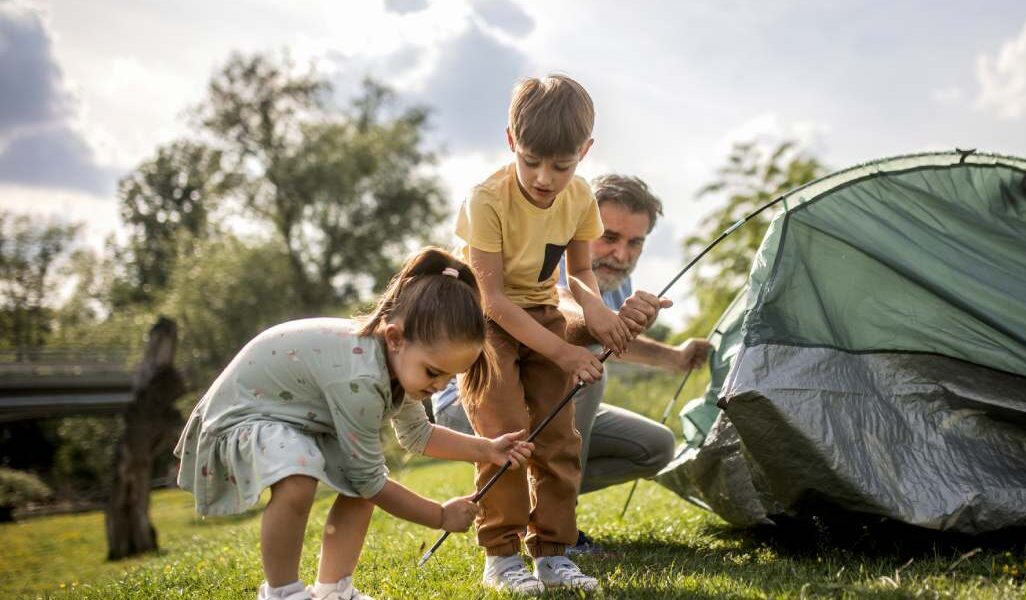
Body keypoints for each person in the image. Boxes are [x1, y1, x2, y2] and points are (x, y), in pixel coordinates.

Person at [173, 248, 534, 600]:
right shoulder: (358, 378)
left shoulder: (401, 361)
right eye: (434, 373)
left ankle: (333, 590)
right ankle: (282, 592)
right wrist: (439, 515)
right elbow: (372, 481)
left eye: (448, 378)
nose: (438, 387)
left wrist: (486, 448)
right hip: (245, 415)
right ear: (395, 337)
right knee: (302, 481)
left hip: (296, 419)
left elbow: (417, 434)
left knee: (358, 490)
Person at [434, 174, 711, 554]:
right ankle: (554, 526)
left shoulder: (615, 281)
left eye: (635, 243)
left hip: (545, 395)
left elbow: (605, 335)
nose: (621, 254)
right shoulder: (553, 256)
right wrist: (602, 323)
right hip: (469, 398)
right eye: (610, 237)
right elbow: (567, 318)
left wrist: (675, 357)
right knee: (586, 373)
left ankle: (519, 496)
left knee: (657, 447)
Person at [455, 74, 656, 595]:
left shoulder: (580, 197)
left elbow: (580, 276)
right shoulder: (486, 200)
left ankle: (552, 554)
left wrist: (600, 315)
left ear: (584, 152)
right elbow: (494, 299)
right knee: (505, 436)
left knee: (561, 440)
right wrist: (566, 351)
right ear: (510, 143)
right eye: (531, 161)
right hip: (486, 324)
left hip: (541, 311)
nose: (545, 177)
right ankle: (501, 557)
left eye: (561, 166)